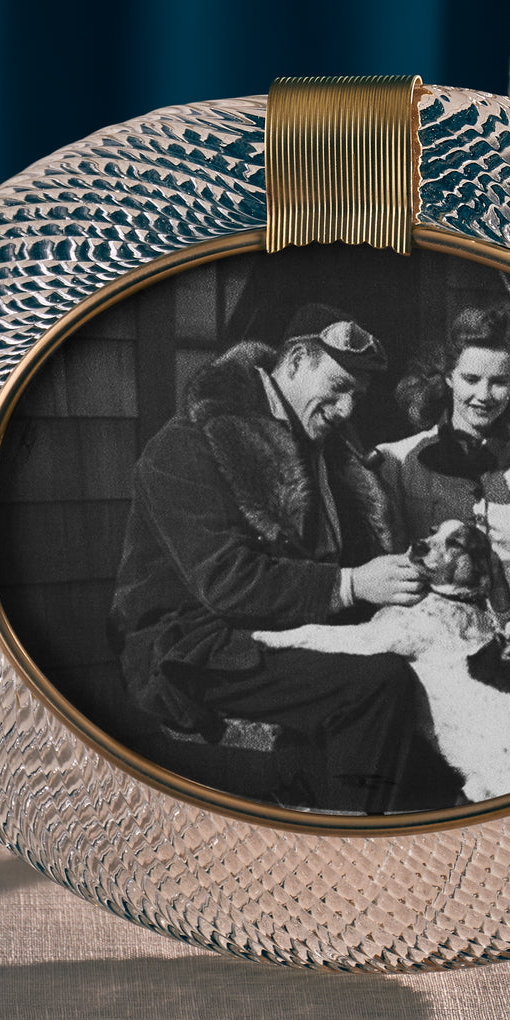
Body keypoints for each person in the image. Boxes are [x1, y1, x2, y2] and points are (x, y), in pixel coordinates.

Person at [108, 303, 443, 815]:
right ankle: (346, 842)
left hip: (287, 629)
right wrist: (352, 584)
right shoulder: (188, 445)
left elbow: (351, 557)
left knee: (425, 667)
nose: (346, 409)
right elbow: (227, 581)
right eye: (338, 387)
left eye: (357, 396)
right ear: (296, 361)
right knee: (373, 685)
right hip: (198, 646)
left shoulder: (326, 448)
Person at [375, 306, 510, 659]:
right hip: (429, 640)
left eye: (499, 382)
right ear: (449, 378)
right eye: (471, 379)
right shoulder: (397, 459)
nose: (484, 395)